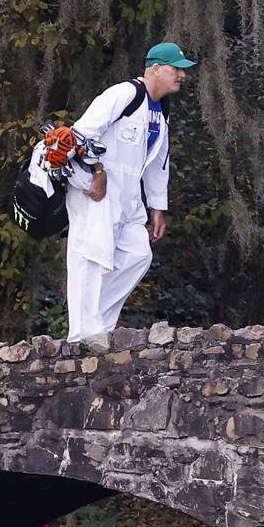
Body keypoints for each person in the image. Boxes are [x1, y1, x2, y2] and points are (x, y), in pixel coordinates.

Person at [64, 40, 195, 341]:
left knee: (137, 254)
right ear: (156, 69)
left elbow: (158, 161)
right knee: (91, 256)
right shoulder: (125, 94)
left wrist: (157, 207)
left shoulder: (162, 111)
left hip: (130, 194)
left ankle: (99, 327)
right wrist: (96, 172)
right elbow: (81, 133)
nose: (182, 76)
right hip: (97, 188)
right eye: (176, 69)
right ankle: (83, 334)